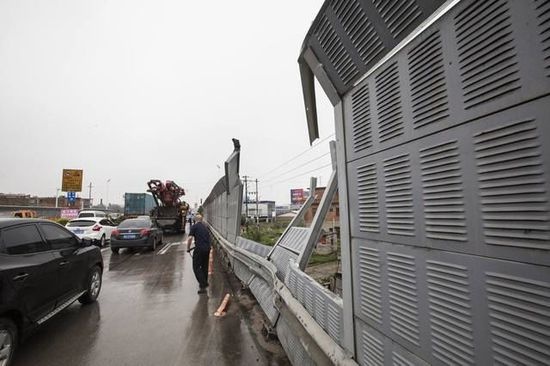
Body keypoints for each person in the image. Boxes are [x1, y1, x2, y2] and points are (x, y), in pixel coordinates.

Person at [186, 214, 211, 294]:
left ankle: (203, 283)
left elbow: (190, 238)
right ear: (202, 219)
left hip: (199, 249)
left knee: (196, 266)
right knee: (204, 266)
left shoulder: (194, 227)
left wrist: (188, 248)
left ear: (195, 220)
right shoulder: (205, 227)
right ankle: (204, 283)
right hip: (207, 249)